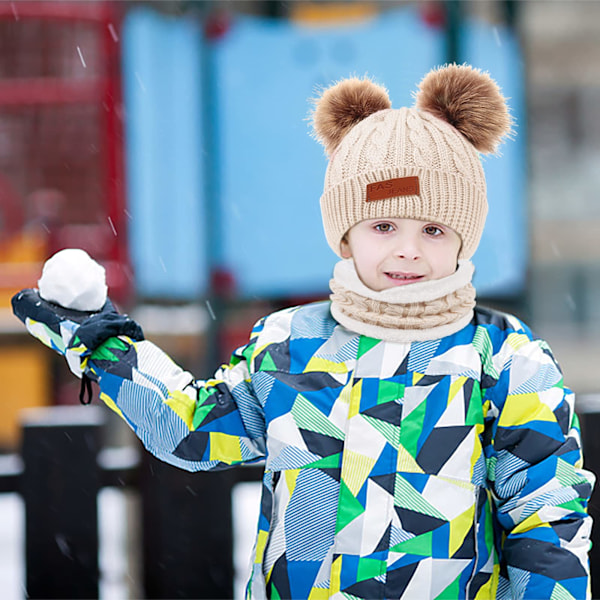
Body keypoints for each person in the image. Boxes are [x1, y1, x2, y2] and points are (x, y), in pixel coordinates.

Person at [12, 64, 594, 599]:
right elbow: (192, 429)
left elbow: (547, 522)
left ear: (466, 235)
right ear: (345, 233)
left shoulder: (504, 360)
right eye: (384, 224)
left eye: (435, 229)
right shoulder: (292, 344)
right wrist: (103, 344)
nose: (408, 251)